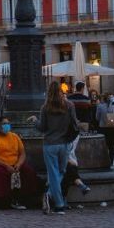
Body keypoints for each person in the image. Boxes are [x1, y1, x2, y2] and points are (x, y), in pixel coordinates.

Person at [0, 116, 41, 211]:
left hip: (14, 163)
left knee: (28, 172)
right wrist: (6, 165)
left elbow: (22, 153)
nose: (7, 126)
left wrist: (19, 164)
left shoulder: (15, 137)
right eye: (4, 124)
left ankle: (18, 200)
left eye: (8, 123)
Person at [38, 82, 81, 215]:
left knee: (54, 174)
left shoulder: (45, 107)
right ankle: (57, 201)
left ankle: (57, 203)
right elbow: (75, 123)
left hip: (50, 144)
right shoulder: (69, 105)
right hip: (65, 143)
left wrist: (35, 122)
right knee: (61, 171)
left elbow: (42, 128)